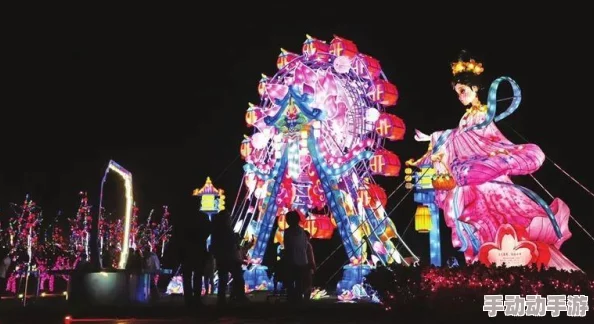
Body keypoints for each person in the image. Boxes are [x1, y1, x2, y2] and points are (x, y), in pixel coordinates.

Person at [407, 50, 576, 269]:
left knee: (504, 221)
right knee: (476, 224)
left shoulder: (482, 115)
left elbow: (481, 139)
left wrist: (440, 138)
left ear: (475, 88)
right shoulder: (466, 117)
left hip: (488, 180)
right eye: (457, 92)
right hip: (473, 183)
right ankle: (490, 266)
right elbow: (456, 137)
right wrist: (432, 138)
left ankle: (518, 267)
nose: (460, 96)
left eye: (463, 90)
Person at [210, 212, 248, 306]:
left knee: (223, 279)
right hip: (231, 257)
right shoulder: (227, 230)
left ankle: (222, 299)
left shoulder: (216, 231)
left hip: (221, 258)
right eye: (229, 218)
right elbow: (232, 244)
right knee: (238, 278)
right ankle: (239, 297)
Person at [178, 211, 211, 308]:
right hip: (197, 250)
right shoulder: (202, 216)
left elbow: (179, 233)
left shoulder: (185, 217)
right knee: (197, 275)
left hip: (187, 250)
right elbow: (208, 230)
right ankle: (196, 299)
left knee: (189, 276)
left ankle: (189, 300)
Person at [282, 210, 308, 303]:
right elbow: (305, 246)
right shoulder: (302, 231)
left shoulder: (287, 232)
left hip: (291, 260)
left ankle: (291, 299)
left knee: (290, 281)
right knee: (299, 282)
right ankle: (298, 299)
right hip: (302, 260)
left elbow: (287, 246)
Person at [302, 231, 316, 301]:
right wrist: (313, 266)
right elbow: (311, 257)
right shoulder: (307, 245)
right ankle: (306, 300)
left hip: (299, 267)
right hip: (307, 267)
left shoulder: (298, 245)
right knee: (308, 284)